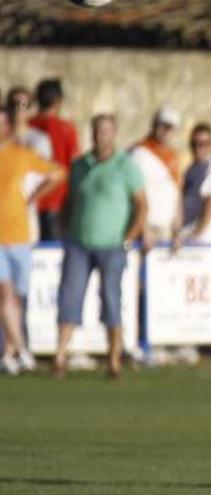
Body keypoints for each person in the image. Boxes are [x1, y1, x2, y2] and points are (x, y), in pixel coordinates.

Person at [55, 114, 147, 378]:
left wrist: (129, 237)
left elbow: (141, 204)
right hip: (79, 243)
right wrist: (65, 229)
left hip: (111, 245)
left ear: (114, 134)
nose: (100, 136)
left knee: (111, 301)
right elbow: (69, 200)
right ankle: (60, 356)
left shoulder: (125, 166)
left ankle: (114, 360)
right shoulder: (80, 165)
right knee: (69, 298)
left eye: (105, 131)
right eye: (96, 131)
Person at [0, 107, 66, 375]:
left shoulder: (22, 155)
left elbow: (57, 173)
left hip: (19, 236)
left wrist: (32, 197)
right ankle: (24, 351)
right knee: (5, 294)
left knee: (17, 298)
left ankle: (9, 353)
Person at [29, 78, 79, 241]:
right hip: (57, 202)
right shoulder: (66, 128)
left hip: (28, 201)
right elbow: (74, 165)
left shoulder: (28, 126)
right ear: (58, 102)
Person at [130, 106, 182, 251]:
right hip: (146, 231)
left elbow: (176, 195)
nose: (165, 131)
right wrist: (143, 228)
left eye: (170, 127)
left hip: (166, 232)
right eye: (162, 125)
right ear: (154, 125)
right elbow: (133, 194)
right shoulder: (139, 153)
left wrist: (177, 232)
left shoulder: (173, 156)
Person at [7, 87, 53, 244]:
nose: (17, 109)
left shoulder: (39, 140)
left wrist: (29, 200)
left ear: (30, 109)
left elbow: (47, 177)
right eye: (13, 104)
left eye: (23, 104)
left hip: (25, 212)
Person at [178, 123, 211, 246]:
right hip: (188, 235)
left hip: (205, 241)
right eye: (194, 144)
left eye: (203, 144)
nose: (198, 148)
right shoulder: (191, 169)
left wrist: (196, 235)